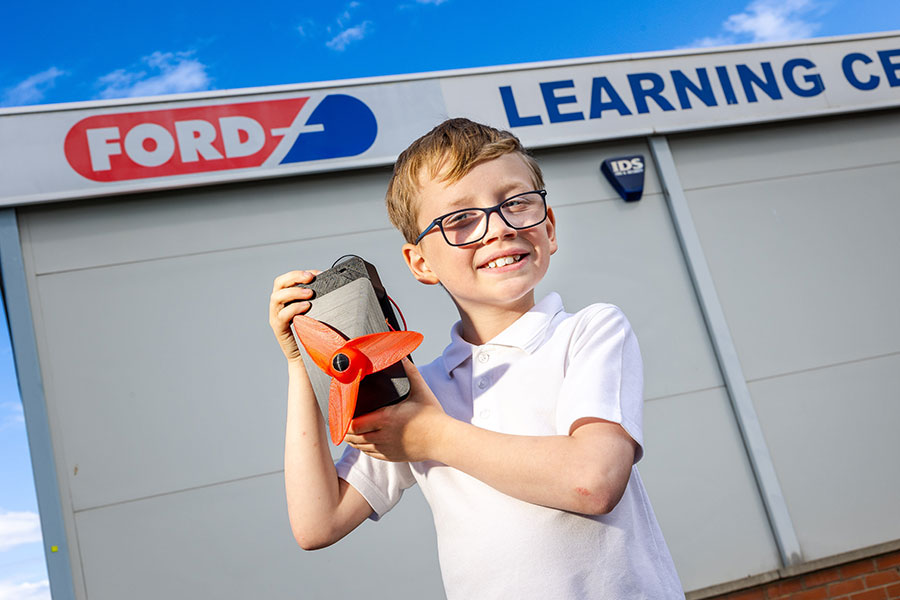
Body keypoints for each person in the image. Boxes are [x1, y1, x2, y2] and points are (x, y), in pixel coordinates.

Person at [268, 118, 684, 599]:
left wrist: (433, 435)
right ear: (420, 262)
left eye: (517, 203)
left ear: (547, 228)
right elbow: (317, 523)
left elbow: (593, 481)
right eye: (460, 219)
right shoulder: (417, 390)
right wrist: (300, 361)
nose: (499, 228)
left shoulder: (587, 331)